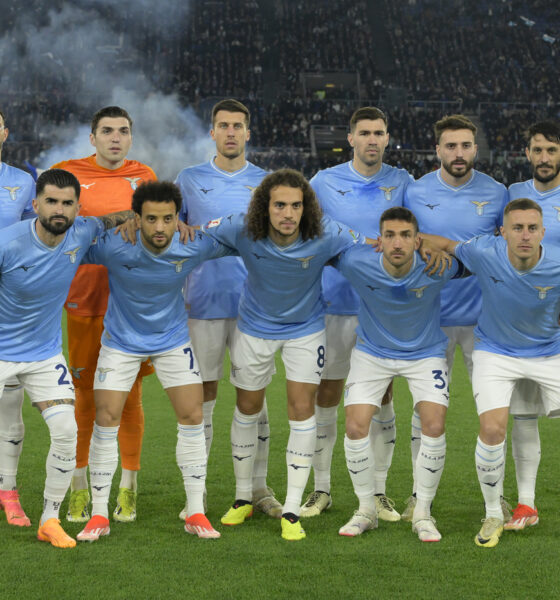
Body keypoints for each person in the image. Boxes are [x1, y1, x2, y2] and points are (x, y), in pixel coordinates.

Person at [202, 169, 365, 541]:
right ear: (265, 206)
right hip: (253, 329)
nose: (288, 214)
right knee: (247, 406)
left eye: (296, 205)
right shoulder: (240, 227)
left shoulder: (327, 233)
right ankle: (244, 496)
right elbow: (195, 237)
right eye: (280, 205)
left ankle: (291, 508)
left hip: (306, 331)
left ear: (306, 209)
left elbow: (370, 247)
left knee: (301, 408)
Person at [76, 181, 231, 542]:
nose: (160, 228)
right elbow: (70, 244)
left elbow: (237, 238)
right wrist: (107, 223)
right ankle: (99, 514)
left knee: (193, 415)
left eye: (168, 219)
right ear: (137, 218)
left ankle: (195, 511)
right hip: (121, 341)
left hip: (172, 340)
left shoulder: (190, 243)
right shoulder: (116, 244)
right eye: (151, 219)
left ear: (179, 218)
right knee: (106, 417)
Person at [0, 169, 134, 548]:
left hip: (44, 356)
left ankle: (49, 519)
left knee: (66, 431)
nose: (59, 209)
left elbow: (117, 219)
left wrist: (141, 216)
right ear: (35, 204)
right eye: (52, 201)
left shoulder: (82, 232)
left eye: (67, 203)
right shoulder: (6, 244)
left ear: (78, 207)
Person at [426, 198, 560, 548]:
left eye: (532, 228)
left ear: (543, 232)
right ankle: (493, 514)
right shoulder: (485, 251)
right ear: (503, 233)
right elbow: (442, 243)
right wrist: (404, 240)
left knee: (527, 419)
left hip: (548, 353)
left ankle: (527, 505)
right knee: (492, 428)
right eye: (517, 228)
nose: (525, 235)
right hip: (495, 352)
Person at [301, 106, 413, 520]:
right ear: (350, 138)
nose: (372, 140)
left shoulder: (403, 182)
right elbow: (310, 231)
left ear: (387, 138)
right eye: (364, 133)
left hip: (383, 308)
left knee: (382, 396)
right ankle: (322, 489)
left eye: (379, 133)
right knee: (326, 395)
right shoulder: (325, 182)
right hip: (331, 304)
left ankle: (379, 492)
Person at [175, 99, 280, 519]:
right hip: (202, 302)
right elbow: (175, 234)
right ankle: (194, 496)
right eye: (223, 125)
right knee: (202, 398)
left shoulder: (269, 182)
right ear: (212, 132)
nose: (231, 132)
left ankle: (258, 487)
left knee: (256, 397)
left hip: (256, 306)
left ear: (248, 133)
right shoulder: (189, 178)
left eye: (238, 125)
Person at [51, 106, 157, 524]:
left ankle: (127, 490)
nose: (116, 138)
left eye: (124, 131)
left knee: (130, 396)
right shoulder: (67, 172)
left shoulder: (143, 175)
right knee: (83, 397)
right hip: (82, 298)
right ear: (92, 138)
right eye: (107, 131)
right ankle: (79, 488)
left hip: (131, 304)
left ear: (131, 137)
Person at [334, 207, 465, 542]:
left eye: (406, 235)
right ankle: (366, 510)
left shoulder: (437, 266)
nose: (397, 243)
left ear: (417, 239)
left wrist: (438, 246)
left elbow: (473, 254)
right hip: (372, 353)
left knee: (434, 424)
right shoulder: (356, 261)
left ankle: (422, 512)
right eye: (390, 235)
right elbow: (319, 246)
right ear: (380, 239)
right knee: (354, 426)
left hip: (425, 354)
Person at [403, 114, 508, 521]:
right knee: (425, 409)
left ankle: (495, 495)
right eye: (450, 146)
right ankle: (417, 492)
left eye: (465, 146)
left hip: (485, 320)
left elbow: (504, 250)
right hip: (430, 316)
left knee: (492, 409)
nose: (458, 153)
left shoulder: (496, 193)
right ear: (437, 150)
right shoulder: (415, 192)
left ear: (475, 149)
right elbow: (406, 241)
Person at [504, 120, 560, 531]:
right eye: (538, 150)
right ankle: (526, 503)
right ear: (527, 153)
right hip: (524, 323)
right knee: (522, 415)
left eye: (552, 150)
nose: (545, 158)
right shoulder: (512, 197)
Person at [0, 108, 36, 526]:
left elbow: (33, 239)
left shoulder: (22, 182)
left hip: (9, 308)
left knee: (10, 401)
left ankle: (8, 490)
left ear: (5, 133)